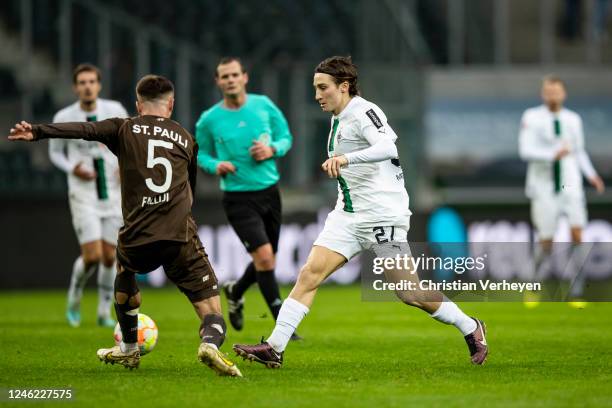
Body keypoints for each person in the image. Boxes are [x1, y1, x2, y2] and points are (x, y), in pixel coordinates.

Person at [232, 56, 488, 368]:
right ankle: (274, 347)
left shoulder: (364, 111)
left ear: (344, 86)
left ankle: (471, 326)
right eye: (315, 88)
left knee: (410, 293)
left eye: (323, 87)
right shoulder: (338, 116)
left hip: (382, 216)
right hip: (348, 216)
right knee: (310, 273)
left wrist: (347, 159)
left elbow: (388, 147)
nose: (317, 95)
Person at [9, 75, 242, 376]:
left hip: (137, 236)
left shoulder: (123, 127)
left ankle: (129, 349)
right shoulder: (186, 138)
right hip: (179, 235)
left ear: (137, 105)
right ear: (170, 104)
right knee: (211, 311)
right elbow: (191, 191)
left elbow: (84, 129)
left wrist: (38, 132)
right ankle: (210, 343)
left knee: (125, 270)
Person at [195, 57, 299, 339]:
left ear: (244, 77)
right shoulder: (209, 119)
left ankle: (236, 290)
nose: (229, 80)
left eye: (234, 75)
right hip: (238, 198)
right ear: (217, 82)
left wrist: (272, 149)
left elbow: (286, 137)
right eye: (224, 76)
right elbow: (200, 153)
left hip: (269, 192)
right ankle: (282, 324)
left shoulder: (263, 105)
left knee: (268, 259)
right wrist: (215, 165)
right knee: (265, 259)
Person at [49, 63, 128, 328]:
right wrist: (73, 168)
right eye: (82, 82)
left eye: (91, 81)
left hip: (113, 195)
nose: (87, 86)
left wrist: (124, 164)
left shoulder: (115, 110)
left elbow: (129, 141)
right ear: (75, 87)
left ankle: (104, 312)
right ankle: (74, 298)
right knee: (92, 255)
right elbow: (55, 152)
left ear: (99, 85)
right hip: (83, 195)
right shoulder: (64, 116)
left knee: (110, 257)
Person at [519, 75, 605, 308]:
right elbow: (525, 150)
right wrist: (551, 155)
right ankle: (534, 284)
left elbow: (578, 151)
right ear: (542, 94)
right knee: (546, 241)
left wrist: (592, 175)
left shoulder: (573, 119)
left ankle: (576, 292)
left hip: (569, 182)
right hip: (543, 185)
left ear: (563, 94)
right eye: (548, 92)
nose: (552, 96)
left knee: (577, 234)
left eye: (556, 92)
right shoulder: (531, 117)